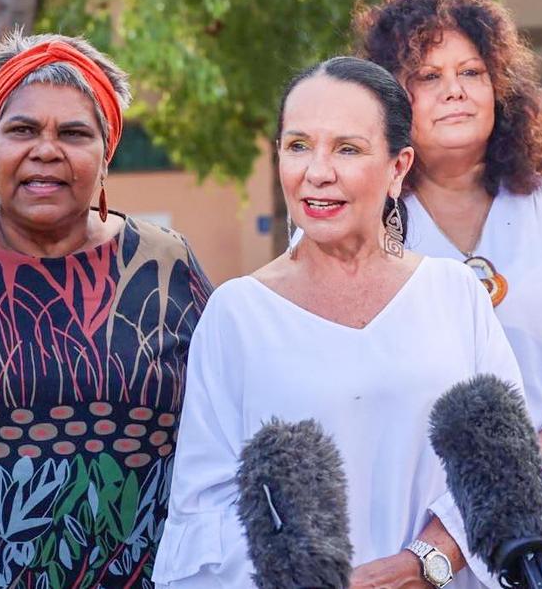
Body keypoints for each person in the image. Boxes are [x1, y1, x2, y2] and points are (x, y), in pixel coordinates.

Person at [152, 56, 523, 589]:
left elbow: (506, 467)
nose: (317, 171)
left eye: (347, 149)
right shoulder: (237, 314)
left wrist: (424, 564)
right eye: (298, 145)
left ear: (398, 167)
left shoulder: (454, 294)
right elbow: (204, 511)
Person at [0, 32, 212, 588]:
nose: (46, 149)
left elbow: (227, 426)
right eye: (22, 129)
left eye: (74, 133)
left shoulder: (164, 266)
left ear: (105, 155)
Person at [356, 0, 542, 588]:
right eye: (428, 76)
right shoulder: (354, 225)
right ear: (390, 99)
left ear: (499, 86)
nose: (454, 90)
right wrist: (443, 531)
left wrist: (508, 474)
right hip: (405, 549)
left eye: (472, 72)